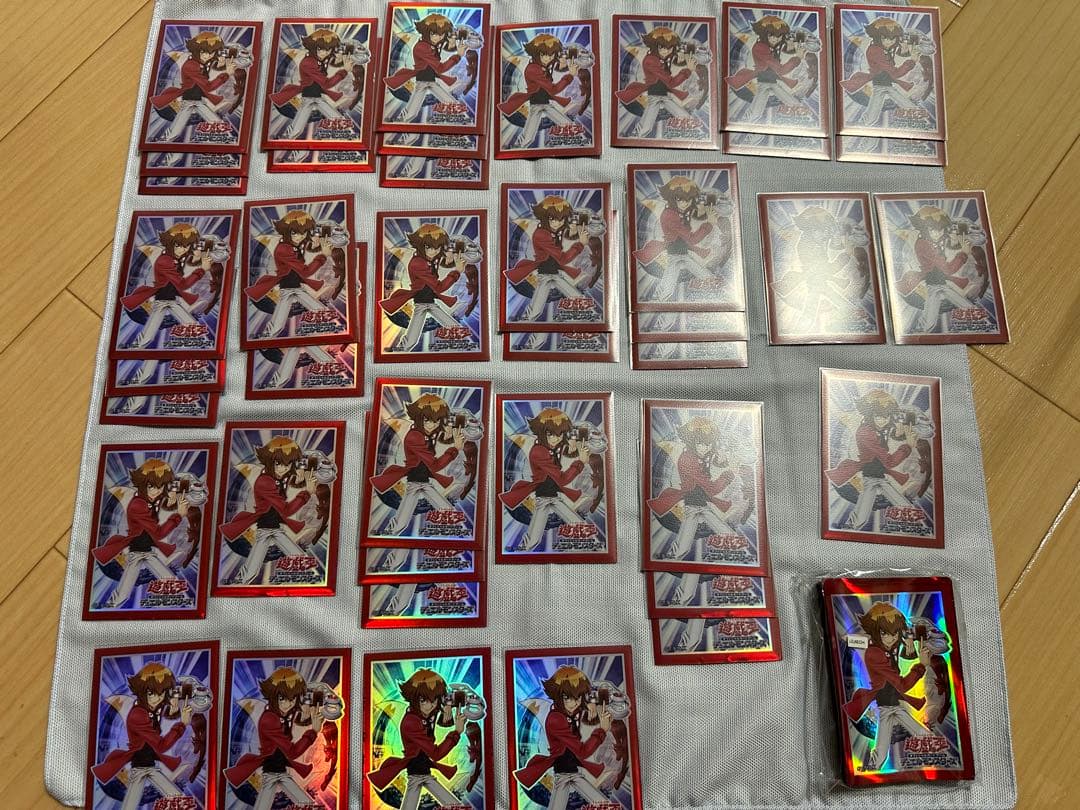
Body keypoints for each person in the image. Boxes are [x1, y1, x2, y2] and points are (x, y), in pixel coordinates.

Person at [844, 602, 934, 771]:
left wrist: (909, 640)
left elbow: (905, 643)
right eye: (884, 633)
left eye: (894, 633)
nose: (891, 638)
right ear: (876, 632)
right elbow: (901, 685)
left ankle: (874, 765)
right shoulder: (875, 653)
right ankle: (931, 746)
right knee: (895, 736)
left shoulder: (889, 645)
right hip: (887, 702)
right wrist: (921, 666)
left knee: (885, 740)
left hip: (891, 703)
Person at [92, 663, 194, 810]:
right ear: (141, 691)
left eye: (161, 693)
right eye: (151, 693)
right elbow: (161, 745)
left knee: (178, 799)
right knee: (173, 799)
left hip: (149, 766)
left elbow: (162, 712)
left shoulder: (150, 708)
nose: (157, 699)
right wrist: (182, 725)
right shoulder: (138, 715)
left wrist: (173, 709)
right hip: (141, 767)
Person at [93, 459, 189, 608]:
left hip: (147, 551)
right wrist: (179, 516)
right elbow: (158, 533)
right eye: (151, 486)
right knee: (124, 591)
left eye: (160, 486)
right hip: (138, 552)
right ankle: (109, 607)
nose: (156, 491)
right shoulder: (138, 505)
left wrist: (170, 499)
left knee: (170, 580)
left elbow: (161, 498)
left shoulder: (150, 499)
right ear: (142, 484)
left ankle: (181, 603)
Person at [367, 668, 468, 809]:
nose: (430, 705)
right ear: (414, 699)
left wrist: (448, 709)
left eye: (434, 700)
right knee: (453, 805)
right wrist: (456, 732)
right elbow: (436, 754)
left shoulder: (427, 712)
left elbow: (442, 721)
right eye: (423, 700)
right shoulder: (411, 722)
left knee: (453, 805)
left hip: (423, 771)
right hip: (417, 772)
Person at [224, 667, 323, 808]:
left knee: (304, 802)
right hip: (272, 772)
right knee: (303, 803)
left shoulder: (280, 716)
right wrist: (313, 732)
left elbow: (288, 733)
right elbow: (292, 752)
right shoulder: (270, 720)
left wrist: (305, 717)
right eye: (282, 698)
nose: (288, 704)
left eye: (292, 699)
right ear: (272, 696)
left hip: (279, 771)